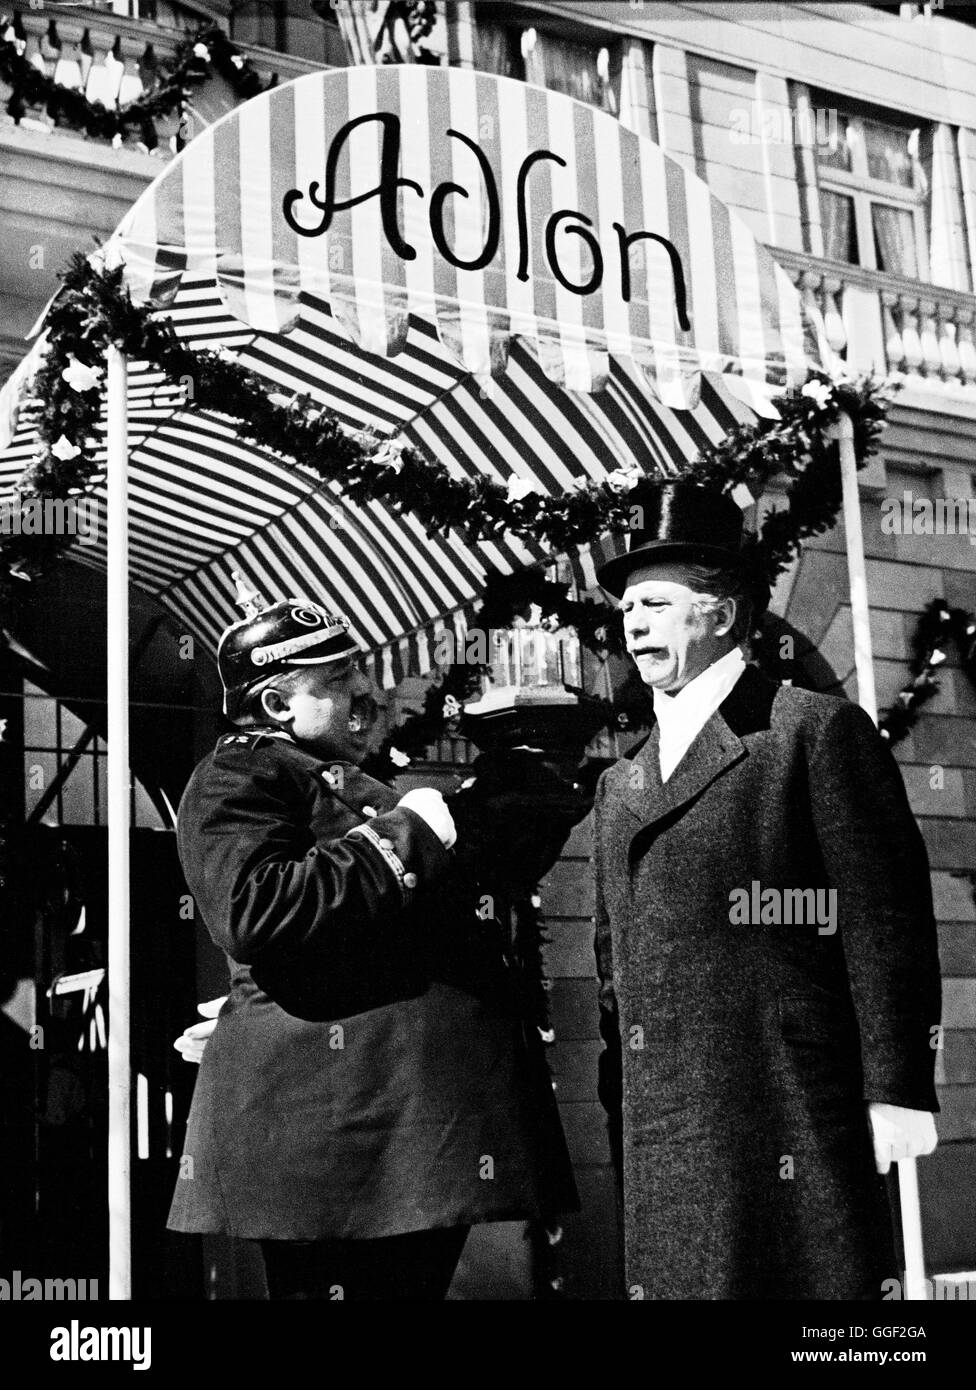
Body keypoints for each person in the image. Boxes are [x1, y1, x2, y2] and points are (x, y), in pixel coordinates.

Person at [168, 597, 577, 1300]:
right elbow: (254, 909)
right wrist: (407, 832)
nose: (366, 692)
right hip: (344, 1140)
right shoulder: (240, 776)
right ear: (275, 702)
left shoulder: (327, 775)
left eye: (359, 669)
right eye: (337, 678)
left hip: (398, 1131)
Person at [592, 480, 942, 1301]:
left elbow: (883, 920)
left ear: (719, 613)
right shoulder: (620, 782)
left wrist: (894, 1091)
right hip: (664, 1123)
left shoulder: (809, 732)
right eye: (627, 607)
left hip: (790, 1108)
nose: (632, 623)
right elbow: (614, 969)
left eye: (655, 603)